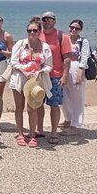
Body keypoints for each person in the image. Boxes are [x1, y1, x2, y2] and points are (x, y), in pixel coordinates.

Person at [9, 18, 53, 147]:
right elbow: (13, 61)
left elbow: (49, 65)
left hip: (36, 81)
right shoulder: (20, 44)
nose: (32, 32)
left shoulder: (45, 47)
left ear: (39, 31)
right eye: (29, 30)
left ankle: (33, 135)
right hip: (19, 79)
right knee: (19, 107)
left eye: (34, 30)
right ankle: (21, 134)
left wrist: (40, 72)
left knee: (32, 108)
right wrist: (25, 71)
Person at [37, 11, 72, 144]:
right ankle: (39, 130)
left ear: (54, 21)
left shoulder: (62, 36)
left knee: (54, 105)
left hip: (55, 76)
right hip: (39, 75)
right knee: (38, 104)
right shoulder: (37, 34)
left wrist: (65, 76)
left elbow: (67, 58)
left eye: (49, 19)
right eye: (44, 19)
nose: (47, 21)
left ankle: (53, 132)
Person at [60, 20, 91, 136]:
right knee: (64, 97)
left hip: (76, 68)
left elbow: (84, 57)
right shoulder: (64, 39)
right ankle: (67, 119)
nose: (73, 30)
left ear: (80, 30)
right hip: (64, 68)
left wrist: (80, 73)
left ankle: (75, 124)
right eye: (72, 27)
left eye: (76, 28)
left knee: (77, 97)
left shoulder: (83, 41)